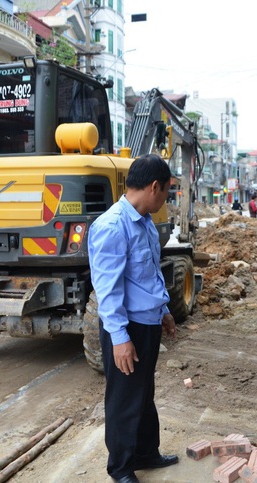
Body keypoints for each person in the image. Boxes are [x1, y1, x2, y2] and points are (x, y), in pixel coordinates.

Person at [88, 154, 178, 483]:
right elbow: (107, 291)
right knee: (125, 397)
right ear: (154, 186)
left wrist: (164, 310)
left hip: (148, 322)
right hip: (126, 327)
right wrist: (120, 338)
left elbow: (150, 275)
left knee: (143, 392)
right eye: (166, 192)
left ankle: (145, 452)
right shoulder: (112, 227)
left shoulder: (145, 224)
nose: (165, 199)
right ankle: (121, 468)